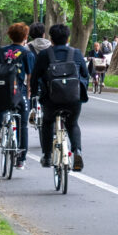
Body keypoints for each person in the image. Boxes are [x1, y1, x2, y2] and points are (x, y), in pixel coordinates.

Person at [32, 23, 88, 170]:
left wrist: (34, 92)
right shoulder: (76, 53)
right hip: (73, 99)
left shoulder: (45, 55)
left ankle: (47, 155)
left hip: (51, 100)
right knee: (73, 124)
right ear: (68, 38)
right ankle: (77, 151)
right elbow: (85, 75)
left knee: (47, 122)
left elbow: (35, 76)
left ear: (51, 38)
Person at [0, 24, 35, 159]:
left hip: (2, 88)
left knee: (0, 105)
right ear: (25, 37)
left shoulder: (1, 51)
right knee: (23, 123)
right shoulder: (27, 54)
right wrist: (28, 92)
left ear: (9, 36)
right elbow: (30, 77)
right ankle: (21, 158)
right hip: (18, 91)